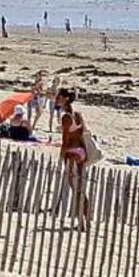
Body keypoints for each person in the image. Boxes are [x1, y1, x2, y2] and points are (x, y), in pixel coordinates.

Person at [58, 93, 92, 230]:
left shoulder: (66, 117)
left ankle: (83, 223)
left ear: (66, 99)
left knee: (76, 189)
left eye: (59, 97)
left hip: (72, 153)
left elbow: (65, 139)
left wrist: (61, 154)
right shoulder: (77, 114)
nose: (56, 100)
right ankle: (86, 220)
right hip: (81, 152)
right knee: (81, 188)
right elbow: (82, 132)